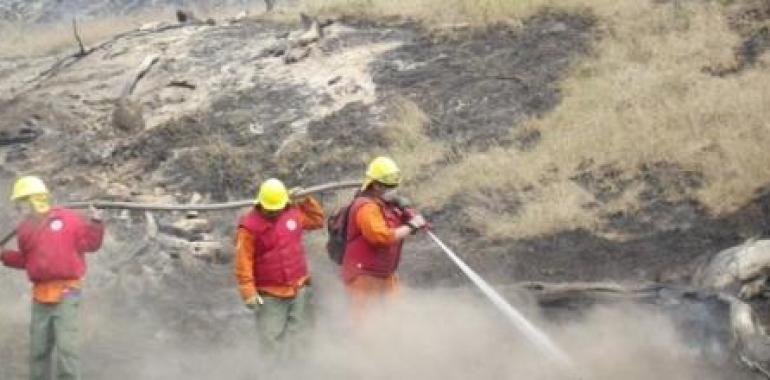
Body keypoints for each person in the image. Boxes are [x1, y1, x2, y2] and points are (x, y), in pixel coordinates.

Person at [0, 176, 105, 380]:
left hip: (67, 292)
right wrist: (4, 255)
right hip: (40, 296)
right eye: (20, 204)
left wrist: (96, 222)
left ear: (36, 199)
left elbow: (91, 245)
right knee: (38, 349)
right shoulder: (25, 230)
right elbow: (28, 261)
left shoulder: (68, 219)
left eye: (24, 202)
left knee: (67, 348)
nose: (21, 208)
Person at [234, 178, 325, 356]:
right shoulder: (249, 227)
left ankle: (300, 371)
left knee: (302, 334)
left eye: (278, 209)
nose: (274, 213)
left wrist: (306, 200)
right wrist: (248, 291)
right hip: (270, 293)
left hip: (299, 288)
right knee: (271, 339)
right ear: (260, 204)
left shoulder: (293, 213)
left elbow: (317, 220)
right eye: (270, 210)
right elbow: (243, 260)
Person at [341, 156, 427, 321]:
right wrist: (411, 227)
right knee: (365, 326)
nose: (393, 190)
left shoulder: (387, 205)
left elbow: (407, 224)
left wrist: (408, 211)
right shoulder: (365, 207)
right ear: (376, 185)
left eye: (395, 186)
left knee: (393, 320)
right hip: (364, 277)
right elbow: (380, 237)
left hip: (385, 274)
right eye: (389, 187)